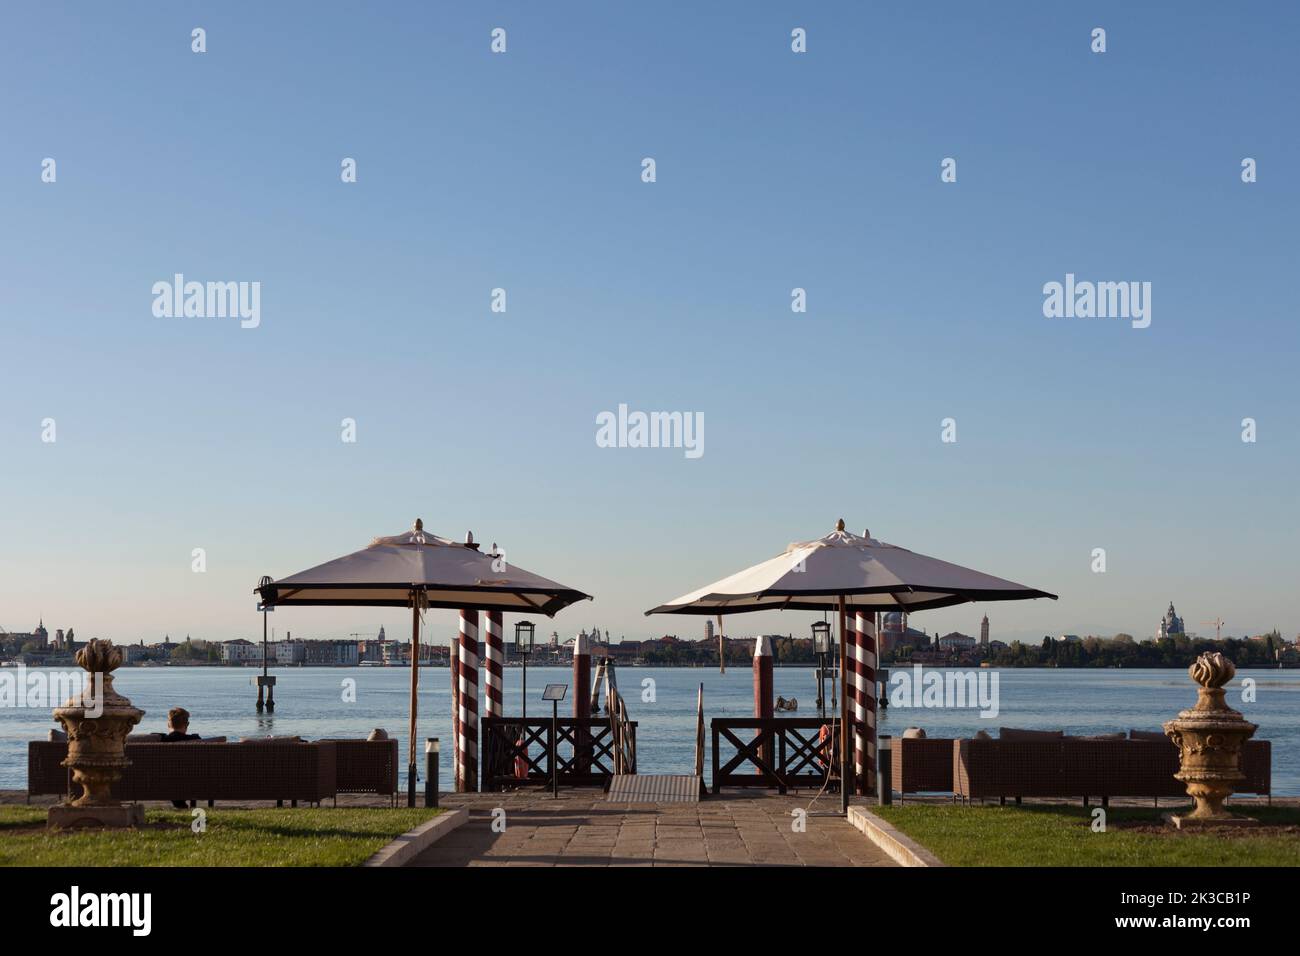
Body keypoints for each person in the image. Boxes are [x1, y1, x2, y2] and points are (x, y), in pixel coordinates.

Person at [160, 707, 200, 809]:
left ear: (168, 724)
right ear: (187, 724)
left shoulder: (162, 741)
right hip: (193, 784)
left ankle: (180, 804)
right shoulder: (196, 740)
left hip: (166, 785)